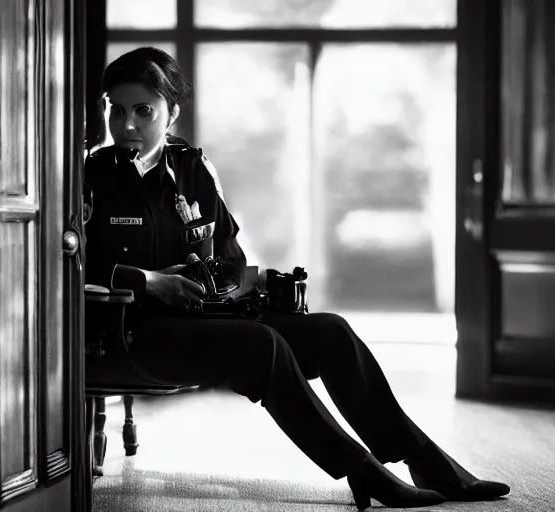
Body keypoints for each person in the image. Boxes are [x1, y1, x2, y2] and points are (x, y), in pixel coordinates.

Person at [84, 47, 510, 511]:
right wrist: (147, 280)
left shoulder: (194, 171)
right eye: (117, 109)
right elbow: (62, 264)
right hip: (128, 333)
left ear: (171, 114)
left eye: (143, 110)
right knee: (261, 346)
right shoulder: (88, 176)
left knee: (330, 332)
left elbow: (230, 259)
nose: (127, 125)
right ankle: (362, 470)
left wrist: (224, 281)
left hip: (198, 318)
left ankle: (423, 457)